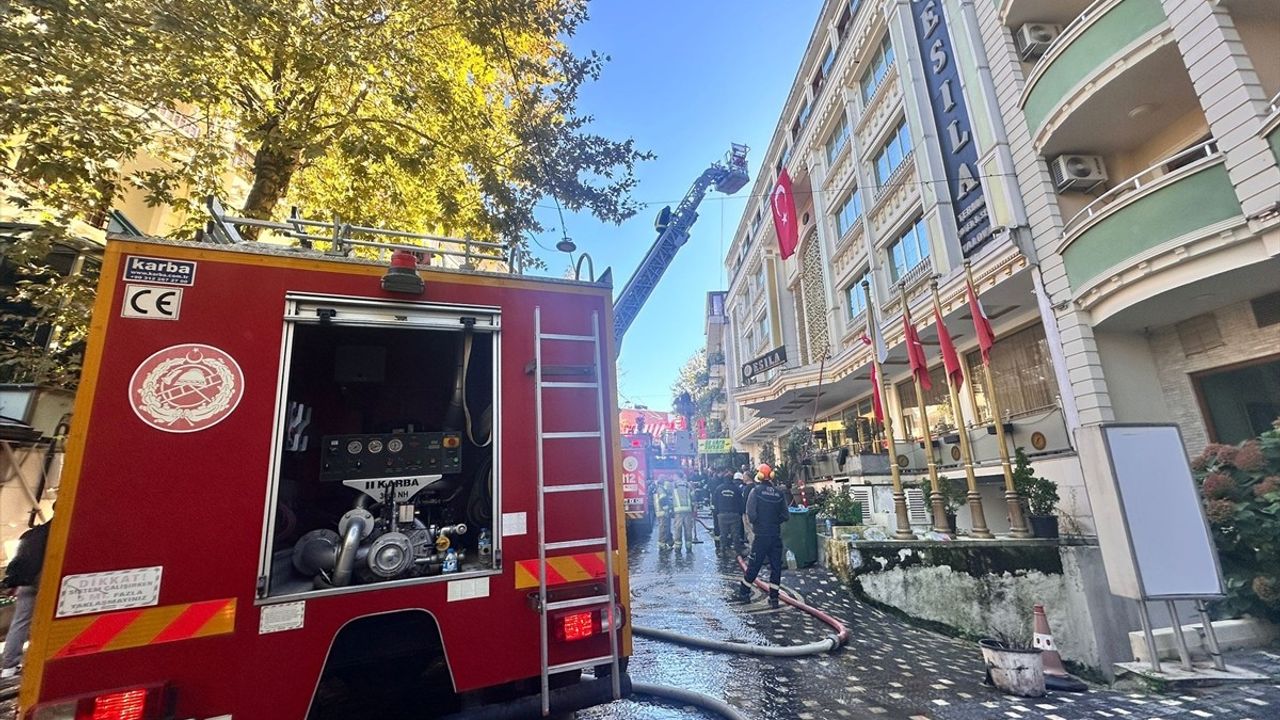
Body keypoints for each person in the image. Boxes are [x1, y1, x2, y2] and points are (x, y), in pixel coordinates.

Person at [2, 516, 51, 679]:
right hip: (48, 580)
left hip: (26, 582)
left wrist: (13, 582)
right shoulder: (61, 532)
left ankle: (9, 667)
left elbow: (18, 561)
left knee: (20, 621)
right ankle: (41, 661)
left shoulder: (31, 534)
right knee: (47, 622)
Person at [733, 465, 788, 608]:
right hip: (775, 535)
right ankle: (774, 598)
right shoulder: (779, 493)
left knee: (754, 565)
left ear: (760, 476)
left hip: (761, 536)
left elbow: (750, 514)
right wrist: (774, 522)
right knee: (776, 567)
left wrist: (758, 524)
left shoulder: (755, 492)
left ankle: (744, 593)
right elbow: (785, 515)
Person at [713, 471, 744, 558]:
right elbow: (741, 501)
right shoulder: (737, 489)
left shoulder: (719, 488)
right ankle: (738, 552)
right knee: (735, 534)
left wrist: (718, 511)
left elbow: (714, 501)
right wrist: (740, 512)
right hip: (734, 514)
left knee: (723, 534)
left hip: (722, 514)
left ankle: (723, 551)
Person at [671, 474, 696, 551]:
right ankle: (688, 546)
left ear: (678, 476)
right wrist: (694, 507)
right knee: (688, 528)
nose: (673, 477)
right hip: (688, 510)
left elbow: (669, 497)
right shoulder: (688, 485)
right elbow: (693, 496)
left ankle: (678, 547)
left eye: (674, 476)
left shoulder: (673, 485)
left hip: (678, 511)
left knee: (678, 529)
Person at [654, 479, 674, 550]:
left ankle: (666, 543)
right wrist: (667, 509)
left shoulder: (659, 488)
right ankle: (662, 545)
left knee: (665, 527)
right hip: (662, 512)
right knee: (663, 528)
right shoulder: (661, 489)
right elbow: (663, 500)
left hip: (661, 512)